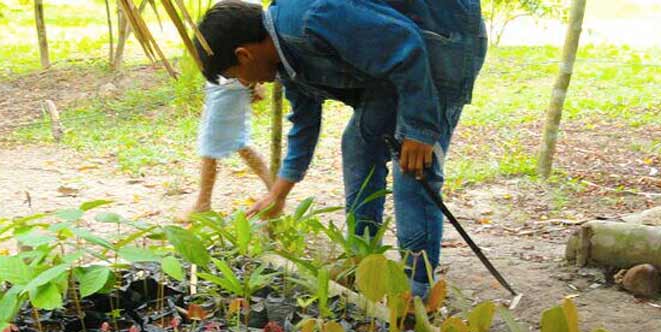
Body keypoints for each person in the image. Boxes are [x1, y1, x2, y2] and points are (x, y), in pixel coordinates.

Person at [196, 0, 487, 297]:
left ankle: (417, 290)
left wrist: (419, 129)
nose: (247, 82)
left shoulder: (311, 18)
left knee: (412, 167)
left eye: (236, 75)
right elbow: (304, 123)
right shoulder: (284, 56)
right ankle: (363, 260)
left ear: (243, 55)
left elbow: (406, 44)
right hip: (401, 59)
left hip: (442, 37)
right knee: (358, 143)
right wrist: (278, 193)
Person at [191, 77, 274, 216]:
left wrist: (253, 82)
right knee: (239, 143)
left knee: (211, 145)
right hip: (223, 85)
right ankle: (274, 189)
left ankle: (203, 203)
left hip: (228, 86)